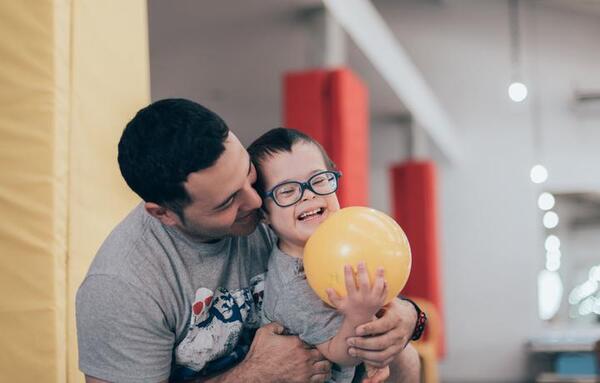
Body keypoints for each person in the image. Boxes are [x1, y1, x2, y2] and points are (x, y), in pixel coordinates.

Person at [76, 98, 422, 383]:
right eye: (228, 202)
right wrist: (251, 376)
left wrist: (407, 316)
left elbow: (349, 266)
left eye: (247, 174)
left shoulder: (276, 197)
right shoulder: (121, 286)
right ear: (163, 213)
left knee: (404, 356)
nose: (256, 204)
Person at [248, 127, 396, 382]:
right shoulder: (294, 286)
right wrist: (360, 316)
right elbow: (342, 354)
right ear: (264, 214)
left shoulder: (340, 246)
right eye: (287, 191)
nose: (308, 194)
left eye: (318, 180)